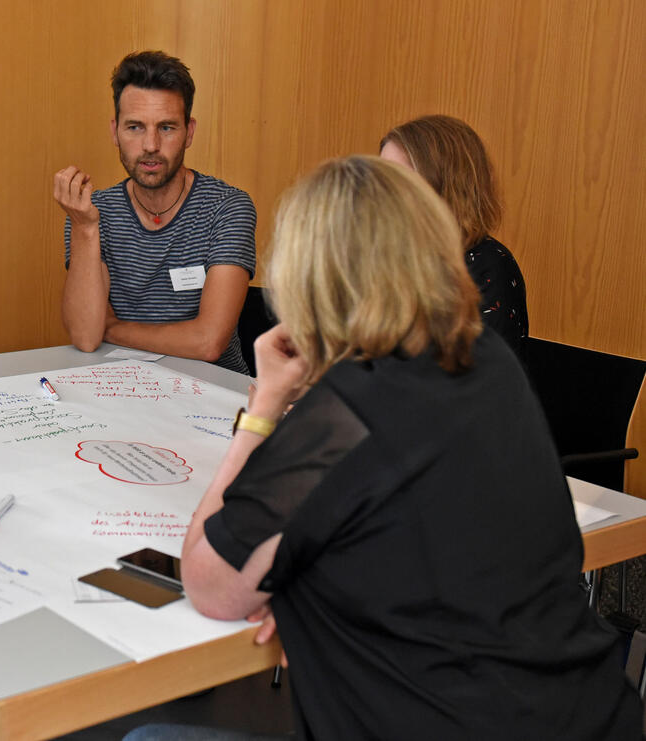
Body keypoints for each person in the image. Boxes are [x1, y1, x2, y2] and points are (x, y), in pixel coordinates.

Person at [168, 156, 641, 739]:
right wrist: (314, 597)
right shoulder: (483, 359)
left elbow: (210, 584)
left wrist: (264, 408)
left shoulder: (341, 415)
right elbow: (407, 520)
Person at [55, 51, 256, 374]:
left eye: (166, 127)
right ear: (114, 131)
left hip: (214, 393)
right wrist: (85, 228)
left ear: (189, 132)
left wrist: (111, 328)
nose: (150, 145)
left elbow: (208, 343)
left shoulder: (227, 207)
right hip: (123, 389)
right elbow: (84, 336)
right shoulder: (92, 213)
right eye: (134, 127)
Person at [380, 115, 529, 365]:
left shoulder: (488, 267)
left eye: (400, 180)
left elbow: (479, 389)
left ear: (446, 187)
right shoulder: (379, 254)